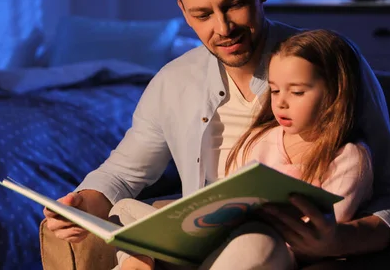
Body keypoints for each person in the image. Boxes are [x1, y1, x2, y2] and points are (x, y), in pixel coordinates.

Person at [43, 0, 390, 268]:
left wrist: (338, 240)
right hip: (200, 238)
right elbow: (122, 174)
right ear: (182, 11)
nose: (223, 28)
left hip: (288, 248)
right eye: (202, 14)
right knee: (122, 213)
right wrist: (79, 205)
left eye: (234, 4)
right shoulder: (173, 82)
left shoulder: (328, 65)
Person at [108, 29, 375, 270]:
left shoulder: (349, 157)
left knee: (253, 244)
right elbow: (231, 193)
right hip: (219, 238)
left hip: (279, 248)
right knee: (123, 209)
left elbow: (328, 230)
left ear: (334, 94)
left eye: (296, 92)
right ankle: (138, 261)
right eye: (274, 90)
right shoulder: (264, 138)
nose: (280, 103)